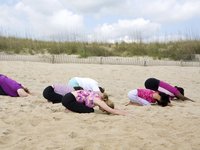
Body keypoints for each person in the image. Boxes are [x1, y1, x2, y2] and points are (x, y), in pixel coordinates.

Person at [62, 90, 128, 115]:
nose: (103, 111)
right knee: (90, 110)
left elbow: (111, 108)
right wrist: (126, 114)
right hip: (69, 100)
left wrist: (119, 110)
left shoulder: (98, 97)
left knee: (87, 108)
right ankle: (70, 109)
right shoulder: (100, 102)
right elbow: (112, 111)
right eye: (105, 111)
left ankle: (69, 108)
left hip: (68, 96)